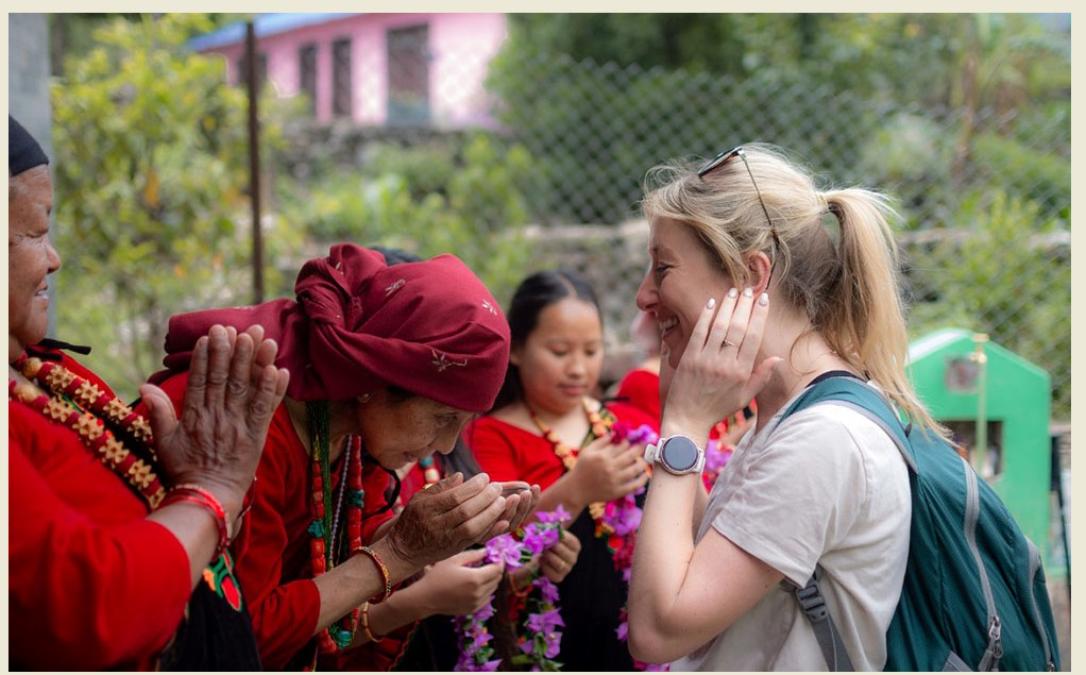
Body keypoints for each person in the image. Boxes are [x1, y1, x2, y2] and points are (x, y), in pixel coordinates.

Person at [148, 243, 541, 669]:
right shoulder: (250, 425)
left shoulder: (350, 427)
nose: (447, 446)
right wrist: (402, 552)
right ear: (377, 378)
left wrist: (445, 533)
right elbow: (243, 633)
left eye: (463, 424)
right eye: (444, 417)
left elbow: (348, 546)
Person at [628, 143, 939, 670]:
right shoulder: (790, 416)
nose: (644, 295)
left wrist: (685, 427)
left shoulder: (825, 439)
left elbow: (659, 629)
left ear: (752, 274)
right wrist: (678, 425)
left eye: (662, 268)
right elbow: (704, 568)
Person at [8, 115, 291, 670]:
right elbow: (92, 609)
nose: (54, 259)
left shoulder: (48, 371)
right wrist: (211, 491)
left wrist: (190, 485)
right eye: (37, 232)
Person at [464, 269, 654, 670]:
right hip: (540, 638)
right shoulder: (492, 435)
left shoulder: (623, 423)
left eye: (591, 351)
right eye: (559, 350)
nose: (577, 369)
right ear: (516, 349)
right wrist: (577, 489)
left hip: (623, 629)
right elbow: (495, 541)